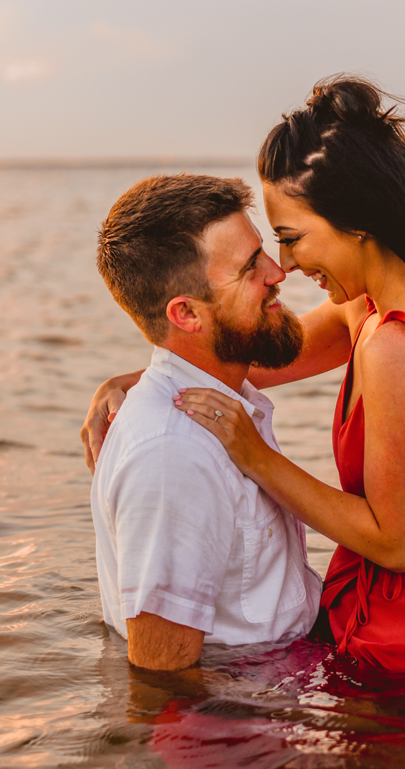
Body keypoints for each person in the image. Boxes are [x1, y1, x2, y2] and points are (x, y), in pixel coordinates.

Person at [83, 76, 405, 673]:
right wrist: (133, 382)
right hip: (368, 615)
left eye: (290, 239)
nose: (283, 265)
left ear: (359, 221)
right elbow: (251, 355)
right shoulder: (363, 311)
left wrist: (254, 457)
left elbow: (396, 543)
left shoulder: (400, 348)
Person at [90, 172, 322, 672]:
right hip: (249, 731)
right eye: (248, 268)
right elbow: (161, 682)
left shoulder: (221, 400)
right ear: (187, 315)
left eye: (262, 250)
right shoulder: (175, 454)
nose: (277, 273)